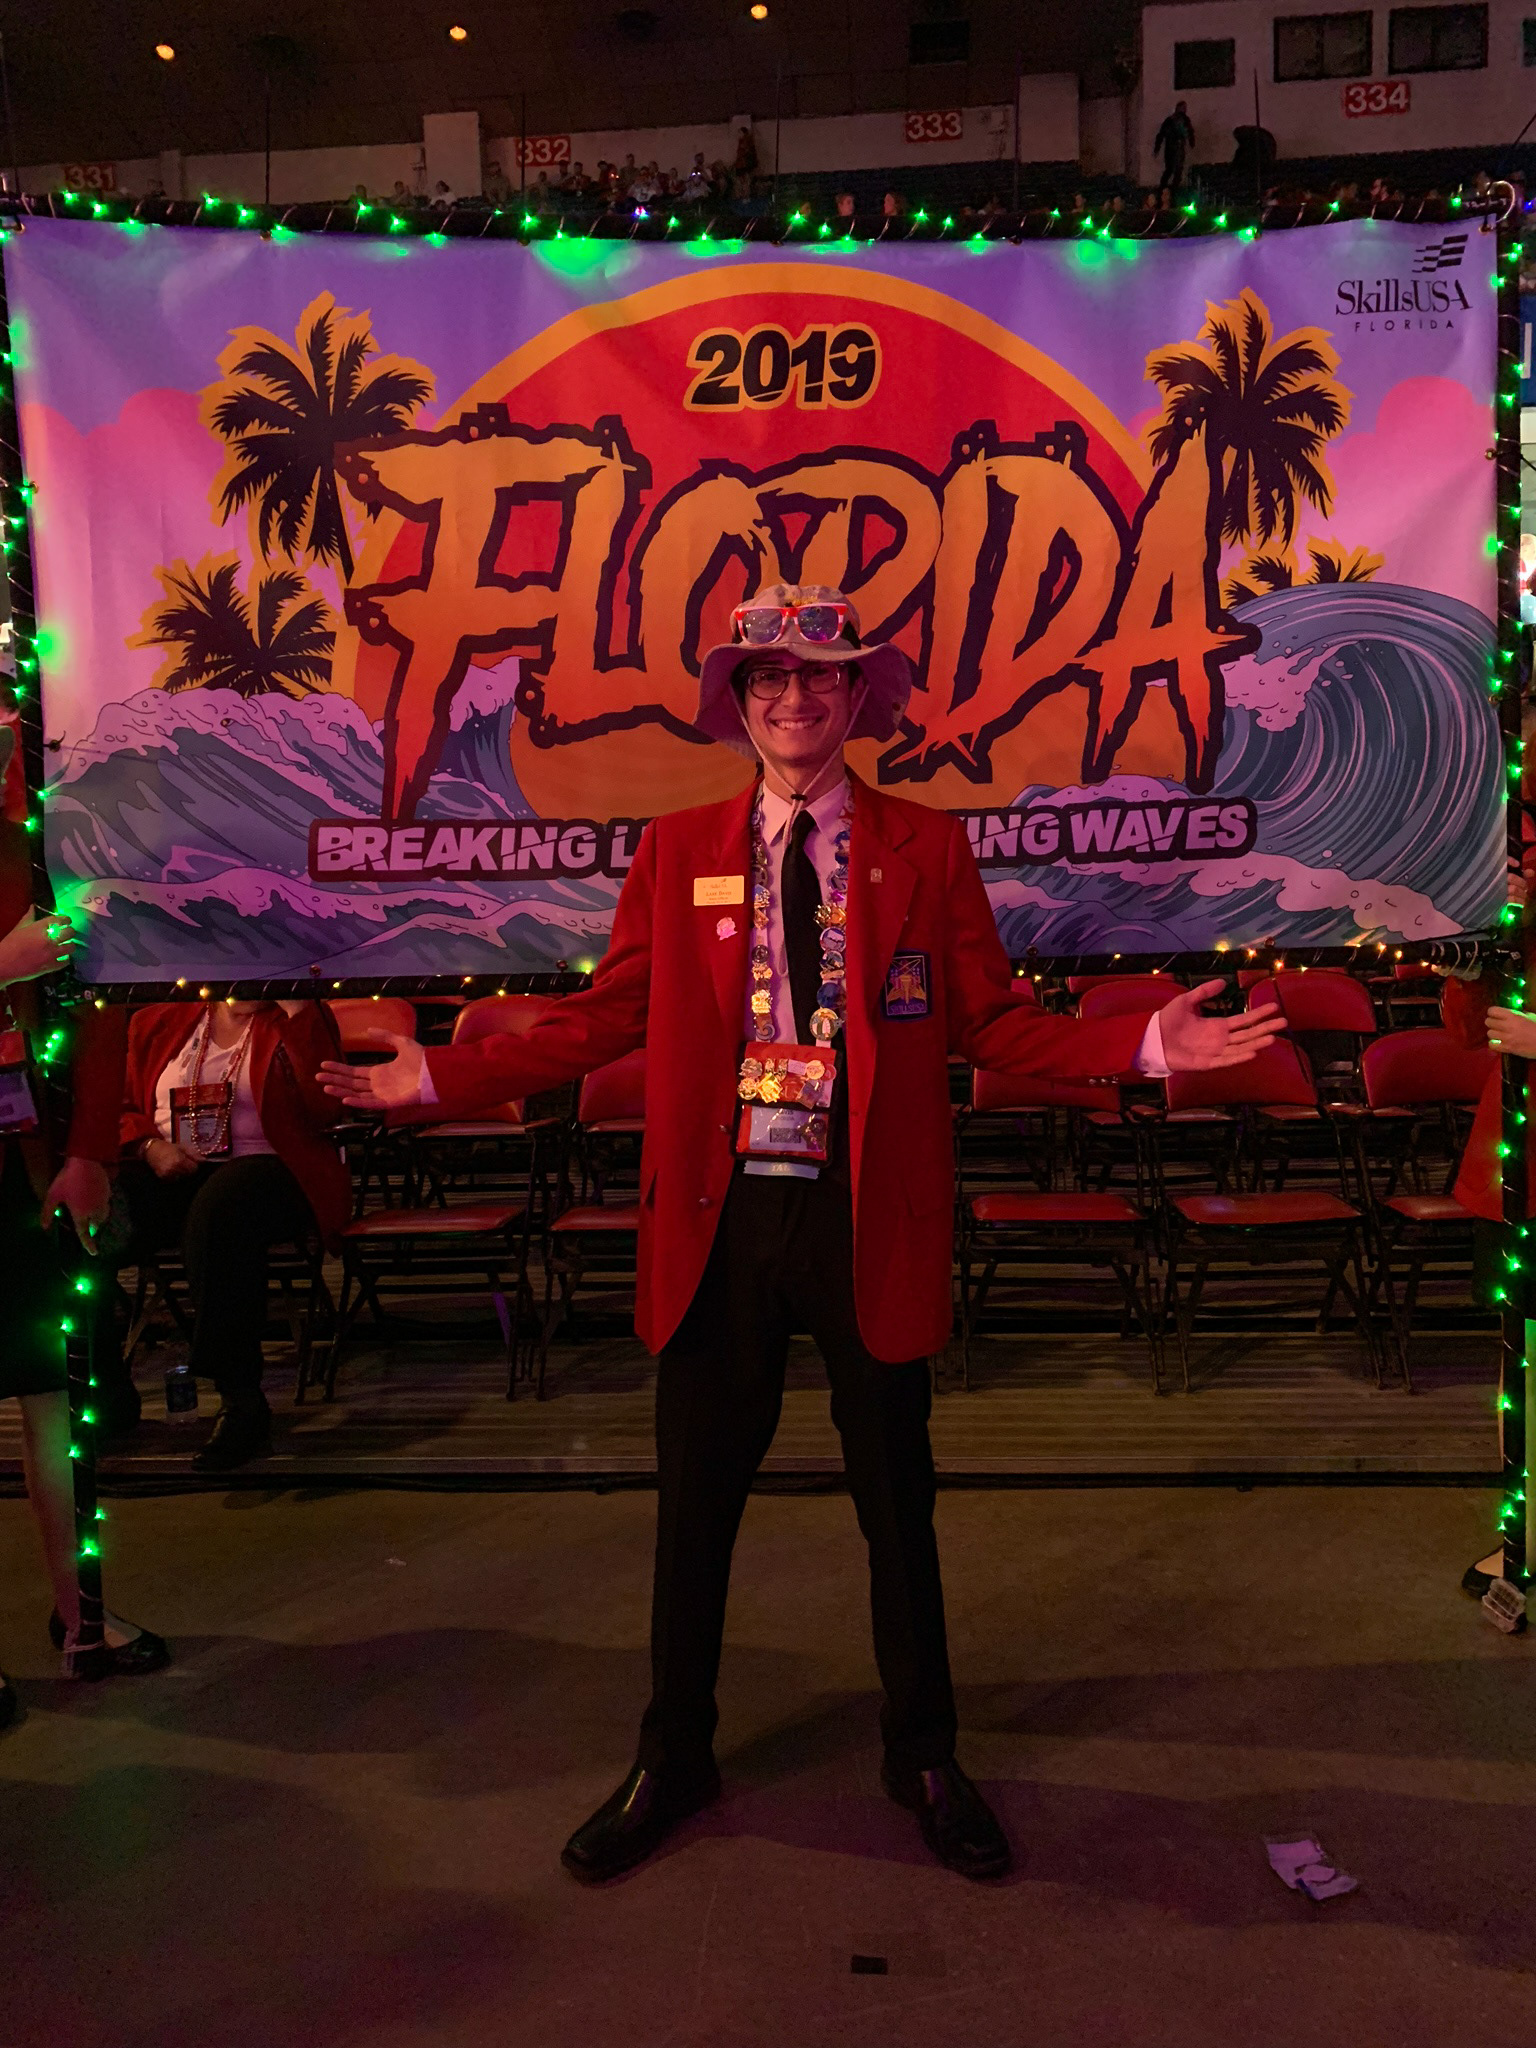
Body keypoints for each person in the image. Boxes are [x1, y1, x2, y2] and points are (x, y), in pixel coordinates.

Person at [321, 584, 1285, 1883]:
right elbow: (603, 1021)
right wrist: (436, 1079)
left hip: (860, 1208)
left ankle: (926, 1752)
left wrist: (1148, 1044)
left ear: (855, 699)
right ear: (738, 700)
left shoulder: (923, 849)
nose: (793, 699)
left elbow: (992, 1023)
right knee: (695, 1512)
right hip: (720, 1219)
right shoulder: (676, 851)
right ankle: (674, 1754)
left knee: (901, 1505)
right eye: (768, 679)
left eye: (820, 679)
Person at [0, 786, 168, 1711]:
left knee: (52, 1395)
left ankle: (81, 1610)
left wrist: (89, 1149)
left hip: (29, 1158)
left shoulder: (57, 808)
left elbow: (101, 995)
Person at [114, 998, 349, 1472]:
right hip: (171, 1166)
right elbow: (117, 1106)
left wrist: (300, 1015)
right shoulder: (157, 1020)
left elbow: (327, 1108)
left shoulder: (301, 1017)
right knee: (91, 1215)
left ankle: (240, 1398)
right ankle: (103, 1387)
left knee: (220, 1209)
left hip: (273, 1170)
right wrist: (149, 1145)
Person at [1154, 99, 1195, 193]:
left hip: (1179, 147)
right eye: (1182, 108)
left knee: (1178, 170)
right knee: (1169, 169)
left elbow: (1190, 132)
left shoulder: (1185, 120)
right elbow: (1161, 134)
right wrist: (1157, 147)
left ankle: (1173, 190)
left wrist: (1191, 141)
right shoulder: (1170, 120)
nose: (1184, 110)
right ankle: (1163, 189)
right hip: (1171, 147)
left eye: (1185, 108)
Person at [732, 126, 757, 199]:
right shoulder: (742, 142)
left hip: (744, 166)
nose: (738, 135)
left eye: (740, 133)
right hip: (741, 166)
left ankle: (745, 196)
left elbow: (744, 153)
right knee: (741, 183)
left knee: (745, 183)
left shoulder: (746, 142)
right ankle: (742, 196)